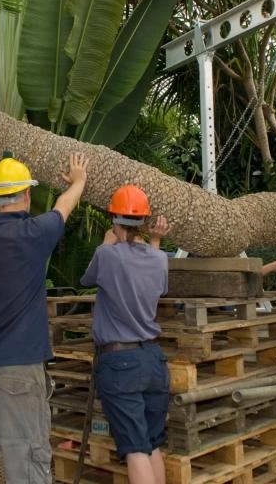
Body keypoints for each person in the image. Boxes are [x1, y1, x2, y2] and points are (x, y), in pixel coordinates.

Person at [0, 152, 89, 484]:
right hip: (19, 371)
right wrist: (79, 179)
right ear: (26, 195)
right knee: (26, 466)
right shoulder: (35, 234)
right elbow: (63, 207)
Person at [81, 185, 171, 484]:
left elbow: (87, 280)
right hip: (153, 360)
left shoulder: (108, 256)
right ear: (145, 222)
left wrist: (109, 244)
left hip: (121, 362)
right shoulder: (159, 259)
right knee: (153, 442)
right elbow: (151, 281)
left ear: (114, 220)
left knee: (134, 449)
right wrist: (155, 240)